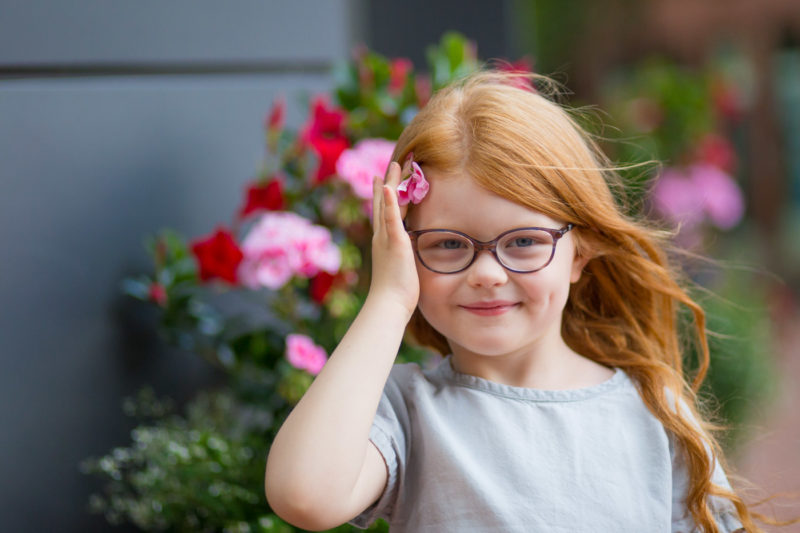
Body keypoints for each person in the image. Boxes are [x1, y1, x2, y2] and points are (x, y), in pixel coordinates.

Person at [264, 70, 760, 532]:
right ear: (406, 252)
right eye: (448, 243)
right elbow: (304, 495)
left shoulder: (656, 416)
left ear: (580, 252)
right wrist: (389, 298)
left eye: (524, 241)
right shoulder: (404, 412)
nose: (486, 274)